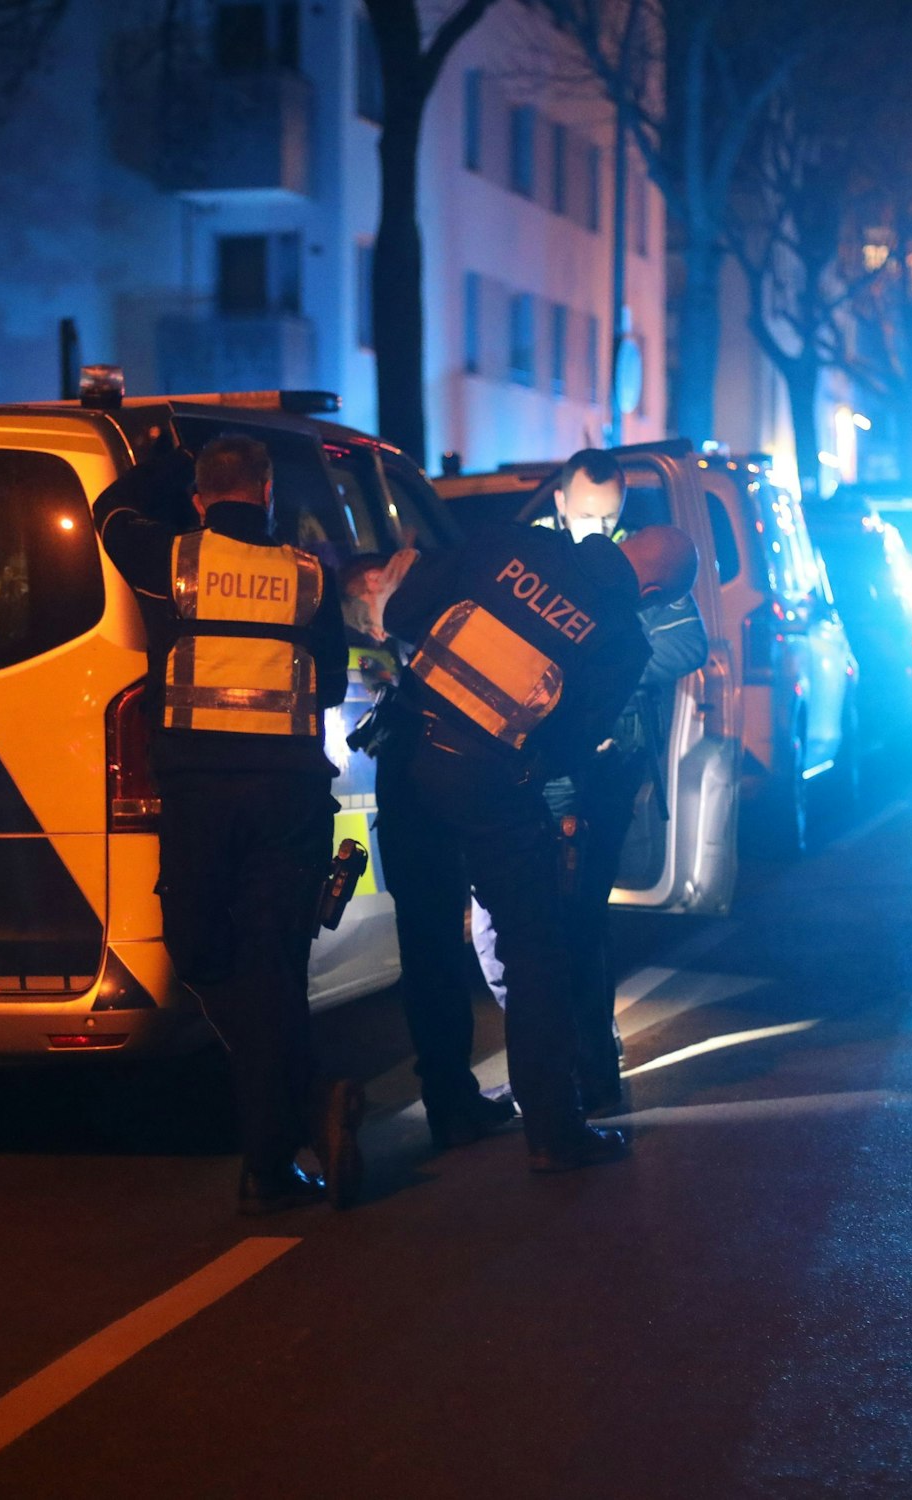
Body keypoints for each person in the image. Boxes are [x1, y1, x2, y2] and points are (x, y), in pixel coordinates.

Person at [374, 515, 692, 1171]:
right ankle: (553, 1129)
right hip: (487, 779)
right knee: (534, 944)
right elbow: (570, 745)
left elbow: (404, 612)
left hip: (406, 755)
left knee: (428, 937)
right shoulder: (621, 642)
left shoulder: (512, 542)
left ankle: (451, 1108)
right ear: (656, 591)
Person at [94, 435, 363, 1212]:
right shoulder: (311, 575)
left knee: (202, 954)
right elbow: (334, 685)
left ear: (202, 499)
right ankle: (292, 1131)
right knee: (273, 969)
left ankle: (278, 1154)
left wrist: (171, 458)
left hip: (202, 797)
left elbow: (110, 511)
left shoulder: (173, 559)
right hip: (289, 797)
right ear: (269, 491)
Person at [475, 452, 709, 1113]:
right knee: (511, 929)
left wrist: (595, 662)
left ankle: (580, 1069)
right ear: (558, 501)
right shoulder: (538, 557)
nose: (596, 528)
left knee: (567, 923)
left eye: (609, 517)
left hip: (599, 768)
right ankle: (566, 1062)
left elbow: (686, 645)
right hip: (531, 764)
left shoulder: (637, 567)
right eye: (585, 514)